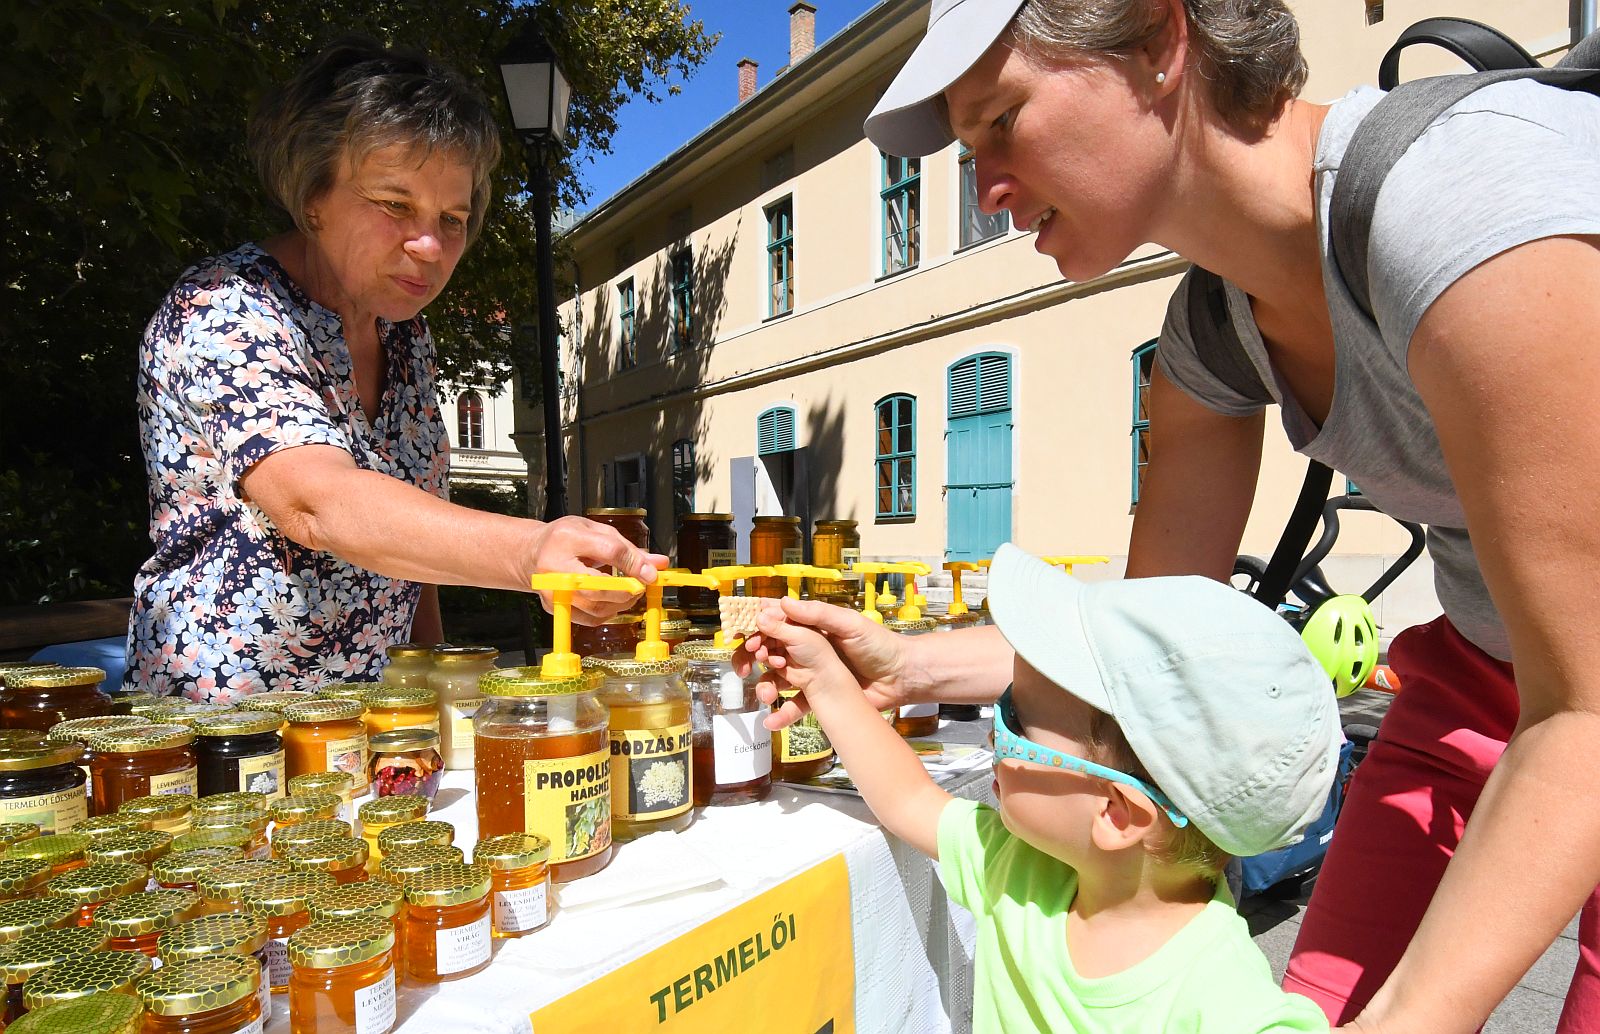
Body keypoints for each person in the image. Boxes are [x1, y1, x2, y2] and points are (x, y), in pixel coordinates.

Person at [745, 1, 1600, 1030]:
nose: (985, 190)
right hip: (1482, 666)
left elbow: (1582, 704)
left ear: (1157, 41)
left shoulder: (1460, 201)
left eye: (1002, 121)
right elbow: (1141, 642)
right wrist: (906, 661)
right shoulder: (1209, 328)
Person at [126, 37, 662, 702]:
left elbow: (413, 541)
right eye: (394, 204)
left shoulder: (404, 335)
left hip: (372, 736)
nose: (431, 245)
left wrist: (433, 694)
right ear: (313, 195)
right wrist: (531, 553)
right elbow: (318, 503)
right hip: (224, 746)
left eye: (453, 218)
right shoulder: (224, 308)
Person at [755, 544, 1335, 1032]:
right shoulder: (1025, 871)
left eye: (1014, 720)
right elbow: (909, 799)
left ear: (1116, 814)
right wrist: (826, 682)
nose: (990, 737)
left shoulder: (1226, 1003)